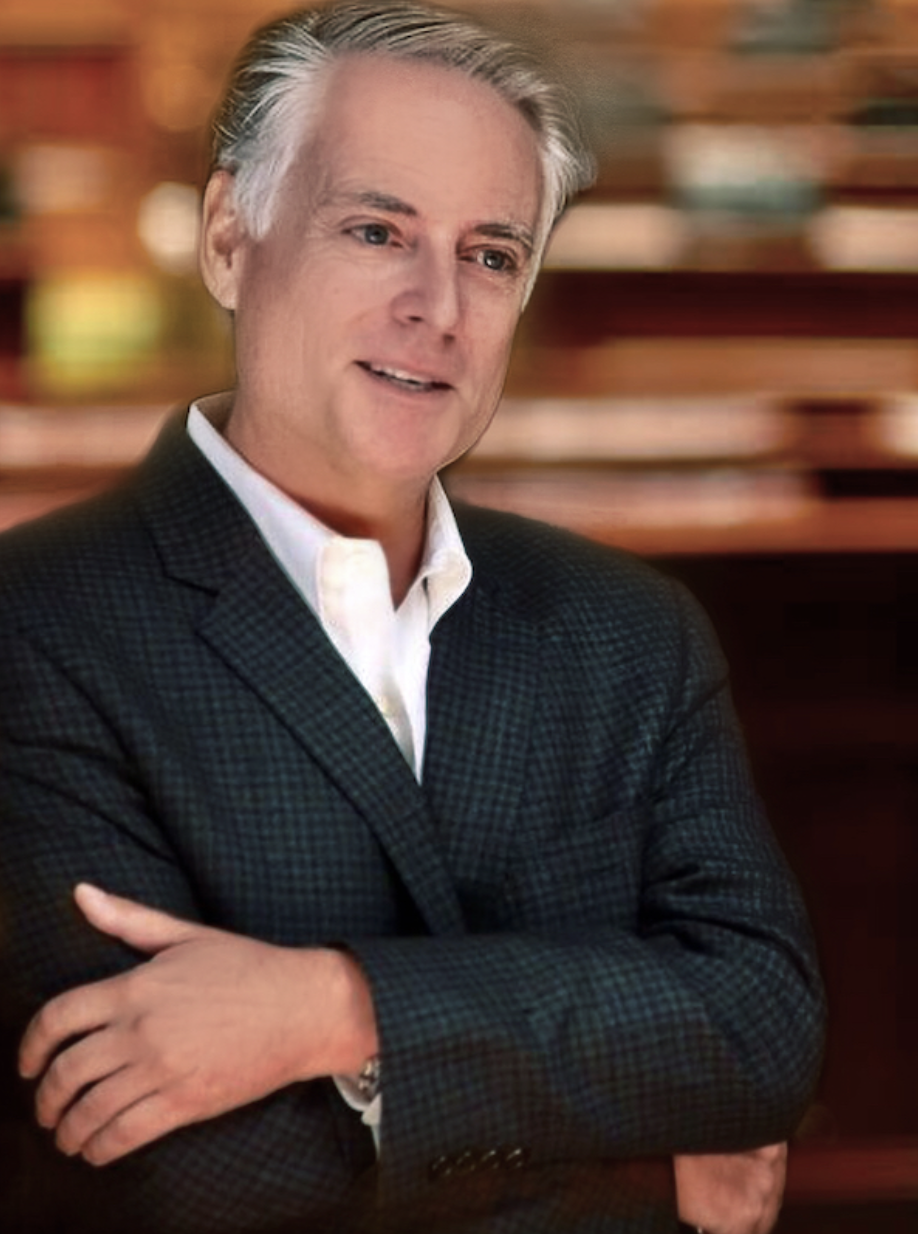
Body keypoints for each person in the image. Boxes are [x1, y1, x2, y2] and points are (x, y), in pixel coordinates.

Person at [0, 4, 823, 1232]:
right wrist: (645, 1156)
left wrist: (337, 1010)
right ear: (232, 234)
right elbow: (168, 1174)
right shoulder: (36, 625)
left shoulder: (631, 632)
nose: (437, 305)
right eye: (377, 230)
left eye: (490, 253)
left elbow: (765, 1032)